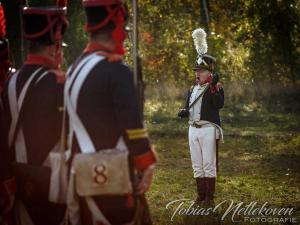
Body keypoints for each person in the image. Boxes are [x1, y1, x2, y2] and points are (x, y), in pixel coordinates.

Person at [65, 0, 157, 224]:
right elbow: (133, 128)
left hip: (80, 177)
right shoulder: (116, 71)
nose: (125, 36)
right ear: (117, 26)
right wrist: (146, 163)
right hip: (114, 182)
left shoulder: (74, 68)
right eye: (124, 29)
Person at [0, 0, 68, 224]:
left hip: (20, 187)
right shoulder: (60, 84)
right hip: (56, 189)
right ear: (55, 44)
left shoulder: (10, 82)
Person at [181, 28, 224, 205]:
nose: (197, 73)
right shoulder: (193, 88)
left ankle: (209, 197)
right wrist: (184, 111)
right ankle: (200, 195)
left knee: (208, 164)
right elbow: (188, 105)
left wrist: (214, 87)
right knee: (197, 164)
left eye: (201, 71)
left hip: (208, 129)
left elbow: (219, 105)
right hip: (193, 129)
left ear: (209, 72)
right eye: (196, 70)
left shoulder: (216, 87)